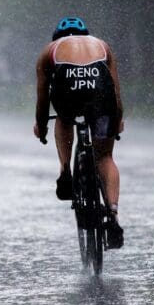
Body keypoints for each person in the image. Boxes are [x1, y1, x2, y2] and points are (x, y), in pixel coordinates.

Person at [33, 16, 125, 249]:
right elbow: (115, 91)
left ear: (57, 38)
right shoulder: (102, 46)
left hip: (68, 90)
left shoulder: (50, 50)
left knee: (64, 117)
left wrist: (41, 125)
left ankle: (65, 171)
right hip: (101, 94)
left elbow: (43, 98)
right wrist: (118, 119)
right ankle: (113, 215)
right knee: (105, 157)